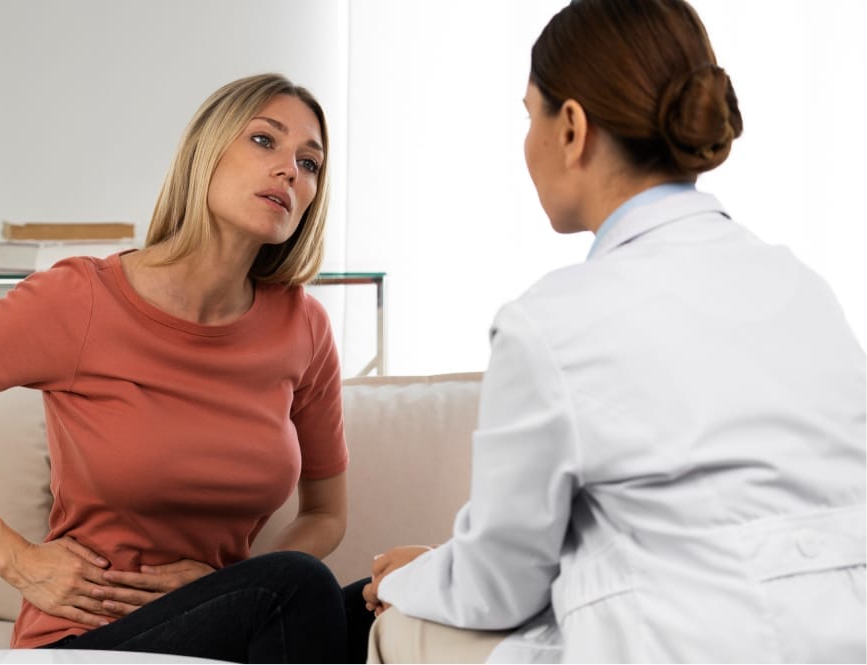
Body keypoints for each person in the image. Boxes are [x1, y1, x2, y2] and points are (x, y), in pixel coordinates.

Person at [362, 0, 866, 662]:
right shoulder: (803, 289)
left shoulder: (552, 320)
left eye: (527, 115)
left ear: (570, 127)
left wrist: (408, 575)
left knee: (398, 626)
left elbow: (499, 582)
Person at [0, 73, 363, 663]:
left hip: (237, 627)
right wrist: (18, 562)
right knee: (300, 587)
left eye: (310, 163)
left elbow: (327, 513)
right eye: (263, 141)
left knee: (383, 603)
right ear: (206, 151)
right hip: (91, 639)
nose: (289, 171)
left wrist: (233, 581)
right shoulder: (77, 300)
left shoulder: (302, 327)